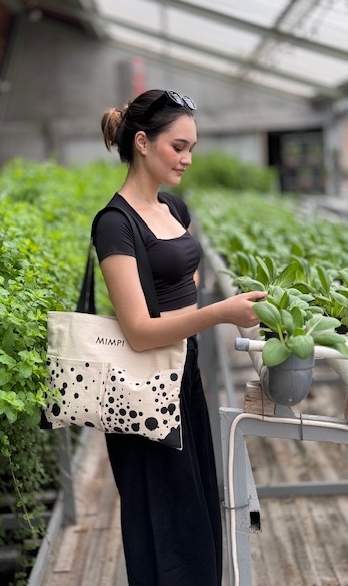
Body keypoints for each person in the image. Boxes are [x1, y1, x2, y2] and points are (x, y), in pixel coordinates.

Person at [92, 88, 266, 586]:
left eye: (192, 148)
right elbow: (139, 331)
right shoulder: (115, 225)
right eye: (178, 146)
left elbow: (184, 281)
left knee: (195, 515)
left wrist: (202, 310)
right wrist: (219, 313)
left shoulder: (174, 207)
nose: (187, 158)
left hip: (183, 376)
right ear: (142, 142)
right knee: (162, 525)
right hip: (143, 389)